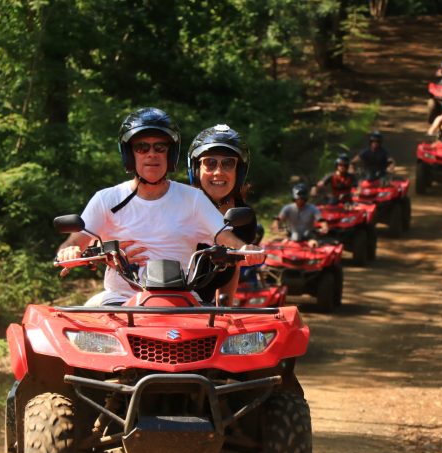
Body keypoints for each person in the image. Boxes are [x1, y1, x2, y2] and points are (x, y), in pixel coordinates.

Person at [56, 108, 263, 306]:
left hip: (183, 301)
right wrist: (69, 252)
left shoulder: (193, 199)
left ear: (170, 154)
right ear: (130, 155)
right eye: (142, 147)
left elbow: (226, 238)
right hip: (120, 302)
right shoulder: (106, 199)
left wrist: (246, 250)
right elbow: (74, 242)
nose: (151, 154)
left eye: (160, 148)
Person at [187, 124, 257, 305]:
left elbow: (232, 268)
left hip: (204, 312)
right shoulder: (177, 204)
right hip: (160, 305)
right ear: (196, 169)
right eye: (210, 163)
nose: (218, 171)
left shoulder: (243, 218)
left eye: (228, 163)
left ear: (239, 171)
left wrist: (225, 311)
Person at [272, 183, 327, 248]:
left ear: (305, 198)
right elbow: (279, 219)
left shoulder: (312, 208)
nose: (300, 201)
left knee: (314, 245)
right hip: (291, 235)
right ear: (294, 198)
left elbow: (321, 220)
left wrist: (324, 226)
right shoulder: (288, 208)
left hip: (308, 236)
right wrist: (276, 224)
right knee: (282, 246)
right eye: (298, 199)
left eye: (302, 199)